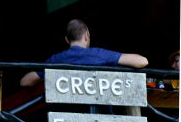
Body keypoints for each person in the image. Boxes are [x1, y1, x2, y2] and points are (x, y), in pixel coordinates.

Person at [20, 18, 149, 87]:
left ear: (67, 40)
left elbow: (25, 82)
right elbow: (142, 62)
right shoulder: (99, 54)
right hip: (102, 120)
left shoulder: (55, 59)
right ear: (87, 35)